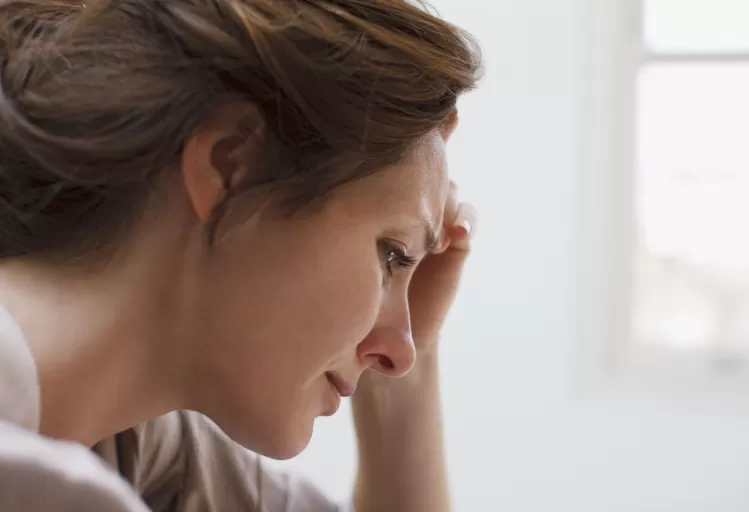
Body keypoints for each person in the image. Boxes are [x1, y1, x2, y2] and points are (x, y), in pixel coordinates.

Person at [0, 0, 482, 511]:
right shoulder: (51, 488)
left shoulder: (137, 447)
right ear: (229, 166)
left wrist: (408, 368)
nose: (399, 353)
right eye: (392, 254)